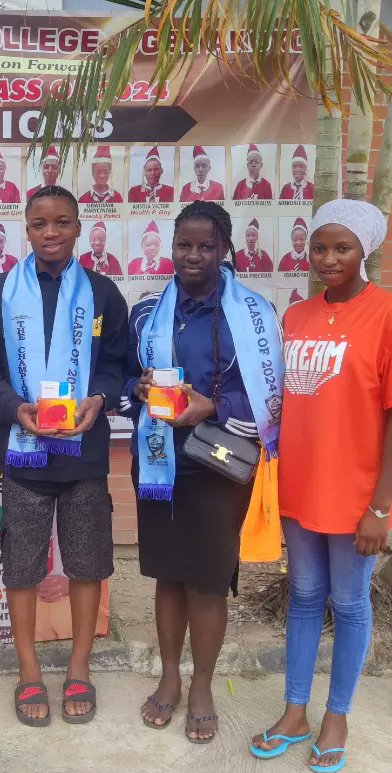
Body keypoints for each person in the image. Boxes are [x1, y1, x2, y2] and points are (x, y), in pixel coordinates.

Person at [250, 199, 392, 773]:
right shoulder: (295, 317)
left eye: (342, 247)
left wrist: (380, 505)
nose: (328, 258)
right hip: (300, 488)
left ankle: (337, 716)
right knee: (303, 598)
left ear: (365, 250)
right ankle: (295, 710)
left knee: (349, 604)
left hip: (356, 496)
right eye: (320, 247)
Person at [121, 200, 284, 743]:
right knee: (168, 574)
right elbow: (127, 379)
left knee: (208, 580)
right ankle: (169, 677)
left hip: (218, 461)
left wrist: (211, 406)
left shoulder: (253, 315)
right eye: (183, 245)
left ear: (225, 250)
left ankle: (203, 685)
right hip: (159, 459)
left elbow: (269, 394)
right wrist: (138, 389)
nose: (193, 256)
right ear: (171, 248)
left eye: (205, 246)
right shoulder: (146, 312)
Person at [0, 185, 130, 726]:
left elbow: (116, 365)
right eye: (40, 224)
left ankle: (80, 666)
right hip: (23, 454)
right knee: (22, 566)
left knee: (86, 563)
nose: (51, 233)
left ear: (79, 228)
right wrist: (15, 409)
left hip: (83, 452)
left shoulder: (104, 294)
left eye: (62, 222)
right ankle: (29, 671)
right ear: (26, 229)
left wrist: (99, 398)